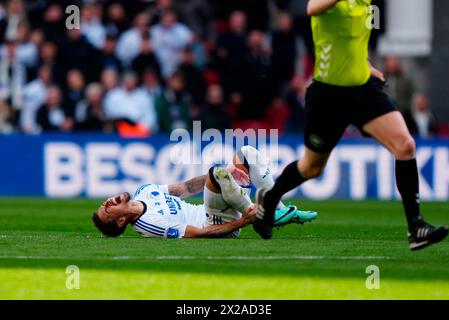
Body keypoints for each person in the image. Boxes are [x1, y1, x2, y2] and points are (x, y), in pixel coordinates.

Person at [253, 0, 448, 251]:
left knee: (405, 145)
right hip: (329, 95)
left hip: (364, 91)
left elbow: (354, 43)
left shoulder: (366, 3)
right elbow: (312, 7)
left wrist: (365, 64)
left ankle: (416, 227)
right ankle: (270, 198)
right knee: (312, 167)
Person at [92, 146, 317, 238]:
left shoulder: (145, 190)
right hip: (216, 222)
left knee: (246, 153)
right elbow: (199, 234)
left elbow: (185, 188)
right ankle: (258, 216)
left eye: (105, 203)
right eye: (107, 209)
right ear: (121, 221)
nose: (108, 202)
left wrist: (228, 171)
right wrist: (241, 223)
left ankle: (278, 212)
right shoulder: (150, 224)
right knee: (216, 174)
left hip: (223, 206)